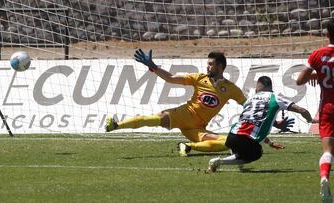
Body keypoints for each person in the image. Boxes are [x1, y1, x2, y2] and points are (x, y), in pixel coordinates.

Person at [106, 49, 292, 155]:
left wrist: (273, 126)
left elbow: (252, 111)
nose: (208, 66)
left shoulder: (231, 88)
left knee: (228, 142)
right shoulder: (199, 78)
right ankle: (116, 124)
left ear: (220, 66)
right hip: (183, 115)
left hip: (198, 128)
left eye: (211, 64)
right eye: (208, 63)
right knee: (155, 119)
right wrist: (153, 67)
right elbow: (171, 78)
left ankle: (187, 147)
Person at [206, 76, 314, 174]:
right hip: (246, 139)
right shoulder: (275, 98)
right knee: (257, 153)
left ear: (257, 89)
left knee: (242, 142)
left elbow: (250, 123)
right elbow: (302, 110)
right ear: (271, 88)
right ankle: (219, 161)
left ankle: (239, 164)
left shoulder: (250, 99)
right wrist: (310, 120)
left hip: (231, 137)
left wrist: (270, 143)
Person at [296, 18, 334, 203]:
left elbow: (299, 80)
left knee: (328, 150)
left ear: (327, 34)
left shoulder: (317, 54)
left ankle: (325, 177)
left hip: (327, 108)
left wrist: (317, 73)